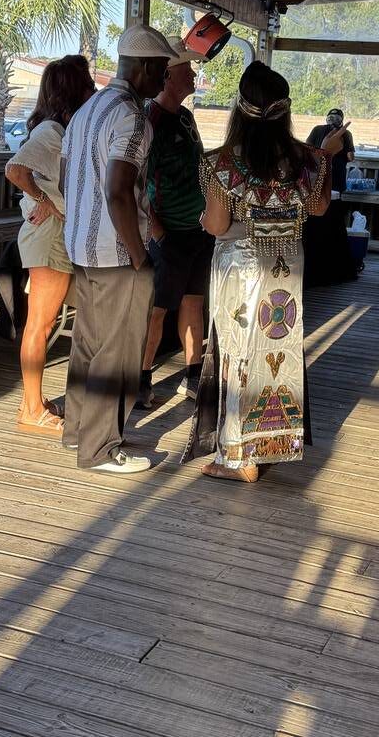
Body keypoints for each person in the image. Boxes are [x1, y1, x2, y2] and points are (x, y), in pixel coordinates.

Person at [184, 62, 342, 484]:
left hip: (238, 267)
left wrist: (203, 219)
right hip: (287, 266)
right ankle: (270, 443)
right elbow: (319, 208)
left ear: (241, 106)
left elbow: (217, 225)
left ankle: (237, 456)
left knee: (238, 353)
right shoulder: (308, 161)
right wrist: (327, 152)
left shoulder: (221, 163)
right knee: (280, 352)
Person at [60, 23, 172, 474]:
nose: (165, 80)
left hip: (82, 248)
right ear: (144, 67)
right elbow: (119, 191)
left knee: (87, 343)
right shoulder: (131, 116)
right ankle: (101, 448)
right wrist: (139, 255)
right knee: (117, 351)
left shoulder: (88, 109)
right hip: (118, 253)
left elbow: (70, 179)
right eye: (162, 71)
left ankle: (76, 432)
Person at [4, 54, 95, 438]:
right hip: (50, 235)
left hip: (54, 233)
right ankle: (30, 408)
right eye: (87, 83)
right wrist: (44, 201)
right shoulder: (51, 132)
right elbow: (15, 170)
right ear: (74, 90)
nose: (93, 89)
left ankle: (36, 403)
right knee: (39, 326)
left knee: (41, 324)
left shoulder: (60, 129)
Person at [139, 43, 212, 410]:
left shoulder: (186, 117)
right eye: (188, 71)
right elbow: (140, 181)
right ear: (168, 75)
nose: (194, 76)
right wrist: (156, 230)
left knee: (194, 302)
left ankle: (193, 374)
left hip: (198, 228)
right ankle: (141, 378)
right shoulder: (151, 121)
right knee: (157, 309)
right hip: (168, 231)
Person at [303, 107, 357, 285]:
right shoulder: (344, 134)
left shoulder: (318, 130)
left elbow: (307, 150)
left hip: (319, 180)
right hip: (333, 180)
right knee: (333, 217)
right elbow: (350, 157)